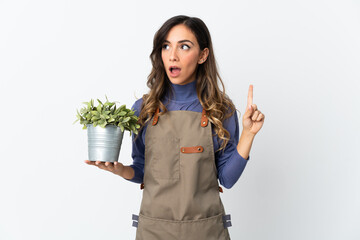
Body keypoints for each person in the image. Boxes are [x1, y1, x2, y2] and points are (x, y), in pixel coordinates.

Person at [85, 15, 265, 240]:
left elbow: (227, 180)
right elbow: (141, 169)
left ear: (202, 55)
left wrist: (248, 135)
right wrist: (119, 169)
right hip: (154, 231)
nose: (172, 55)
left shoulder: (221, 110)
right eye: (166, 46)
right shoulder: (144, 108)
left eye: (184, 47)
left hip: (206, 231)